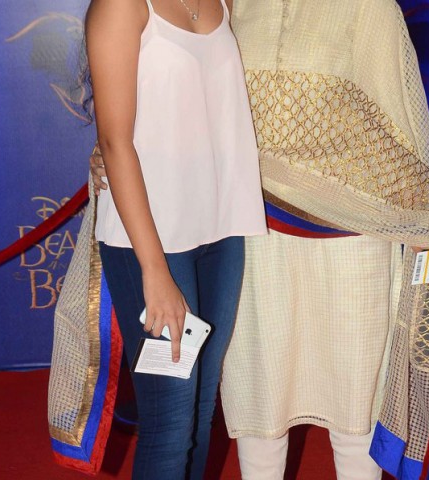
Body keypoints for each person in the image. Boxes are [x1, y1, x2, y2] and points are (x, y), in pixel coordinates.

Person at [89, 0, 429, 479]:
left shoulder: (360, 8)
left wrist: (420, 219)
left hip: (339, 241)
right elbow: (142, 111)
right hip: (251, 237)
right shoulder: (234, 3)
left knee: (350, 403)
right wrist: (110, 150)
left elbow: (401, 118)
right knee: (242, 409)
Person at [48, 0, 266, 479]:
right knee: (169, 418)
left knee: (201, 407)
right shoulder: (120, 6)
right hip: (150, 239)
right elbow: (115, 142)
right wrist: (154, 270)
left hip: (221, 228)